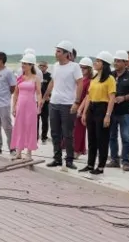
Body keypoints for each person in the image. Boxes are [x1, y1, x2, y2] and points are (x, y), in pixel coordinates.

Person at [44, 40, 83, 170]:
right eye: (56, 51)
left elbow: (80, 84)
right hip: (54, 103)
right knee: (55, 132)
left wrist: (76, 102)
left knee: (68, 133)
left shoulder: (74, 67)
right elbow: (52, 82)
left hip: (68, 104)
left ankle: (69, 160)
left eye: (59, 51)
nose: (56, 53)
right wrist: (45, 97)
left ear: (67, 54)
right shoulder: (55, 66)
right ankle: (57, 159)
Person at [79, 52, 116, 174]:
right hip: (92, 108)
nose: (95, 63)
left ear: (104, 64)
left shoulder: (110, 79)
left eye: (98, 61)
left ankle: (100, 166)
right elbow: (88, 96)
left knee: (102, 139)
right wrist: (84, 112)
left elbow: (112, 98)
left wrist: (108, 115)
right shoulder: (94, 78)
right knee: (92, 138)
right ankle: (90, 164)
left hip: (102, 108)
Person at [107, 50, 129, 172]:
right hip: (112, 112)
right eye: (115, 61)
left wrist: (124, 97)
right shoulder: (111, 75)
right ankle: (114, 160)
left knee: (125, 137)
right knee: (112, 137)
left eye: (118, 61)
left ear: (125, 62)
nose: (115, 63)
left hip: (125, 113)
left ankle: (126, 162)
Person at [10, 53, 42, 160]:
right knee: (19, 126)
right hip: (20, 105)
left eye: (25, 63)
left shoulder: (36, 78)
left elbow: (38, 93)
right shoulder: (20, 78)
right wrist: (13, 106)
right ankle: (18, 151)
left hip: (31, 106)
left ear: (31, 65)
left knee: (30, 127)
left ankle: (29, 152)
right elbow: (16, 93)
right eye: (22, 63)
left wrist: (39, 105)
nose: (23, 65)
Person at [0, 52, 17, 157]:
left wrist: (5, 96)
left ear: (1, 60)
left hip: (4, 104)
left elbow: (13, 87)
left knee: (7, 127)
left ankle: (12, 148)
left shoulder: (8, 72)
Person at [71, 57, 93, 159]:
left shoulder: (89, 81)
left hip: (83, 106)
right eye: (81, 67)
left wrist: (82, 109)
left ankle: (77, 150)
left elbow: (87, 96)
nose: (82, 69)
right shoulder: (79, 79)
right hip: (74, 104)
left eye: (84, 68)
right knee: (73, 129)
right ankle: (73, 149)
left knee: (79, 130)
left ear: (89, 69)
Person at [37, 59, 52, 143]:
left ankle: (44, 137)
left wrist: (48, 97)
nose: (41, 67)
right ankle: (35, 136)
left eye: (43, 66)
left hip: (46, 101)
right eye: (40, 65)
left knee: (45, 120)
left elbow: (52, 87)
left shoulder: (49, 76)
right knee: (36, 119)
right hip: (37, 100)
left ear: (46, 67)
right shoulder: (37, 75)